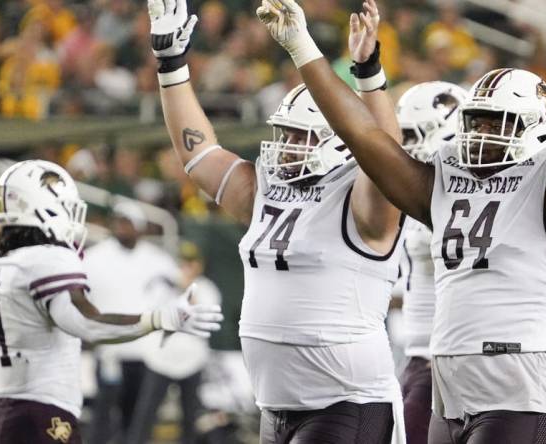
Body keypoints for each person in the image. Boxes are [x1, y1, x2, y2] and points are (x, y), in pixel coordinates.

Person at [258, 0, 546, 442]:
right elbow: (364, 136)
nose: (481, 135)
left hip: (523, 386)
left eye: (498, 123)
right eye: (476, 122)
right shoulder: (447, 179)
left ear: (539, 130)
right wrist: (301, 46)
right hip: (449, 391)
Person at [146, 0, 406, 441]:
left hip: (347, 401)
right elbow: (198, 155)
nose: (287, 146)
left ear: (341, 141)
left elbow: (385, 154)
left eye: (301, 136)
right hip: (276, 406)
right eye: (284, 134)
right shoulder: (268, 186)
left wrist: (368, 76)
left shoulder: (364, 200)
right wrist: (171, 66)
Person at [0, 160, 222, 444]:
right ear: (40, 208)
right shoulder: (46, 261)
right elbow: (85, 322)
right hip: (44, 415)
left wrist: (3, 408)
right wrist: (158, 319)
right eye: (64, 207)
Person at [395, 81, 467, 444]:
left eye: (410, 134)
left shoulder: (456, 192)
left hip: (441, 359)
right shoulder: (416, 189)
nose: (403, 144)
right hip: (416, 355)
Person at [83, 201, 181, 444]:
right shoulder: (95, 258)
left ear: (140, 228)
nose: (122, 227)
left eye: (127, 222)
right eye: (118, 221)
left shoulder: (159, 261)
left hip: (146, 353)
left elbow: (172, 302)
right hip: (109, 351)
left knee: (138, 418)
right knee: (102, 416)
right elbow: (82, 298)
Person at [128, 241, 222, 444]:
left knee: (191, 417)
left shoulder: (208, 289)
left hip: (192, 363)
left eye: (192, 262)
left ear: (200, 265)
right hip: (161, 360)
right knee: (145, 415)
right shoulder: (161, 285)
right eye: (183, 262)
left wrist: (188, 292)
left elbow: (204, 321)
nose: (187, 267)